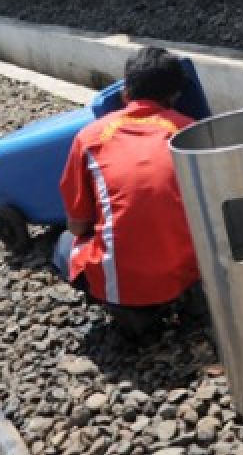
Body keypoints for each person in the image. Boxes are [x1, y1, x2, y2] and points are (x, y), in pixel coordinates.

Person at [55, 46, 202, 339]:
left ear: (126, 93)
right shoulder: (191, 132)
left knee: (63, 242)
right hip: (192, 273)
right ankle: (187, 297)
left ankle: (130, 308)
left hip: (124, 284)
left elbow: (78, 223)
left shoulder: (90, 137)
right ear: (174, 97)